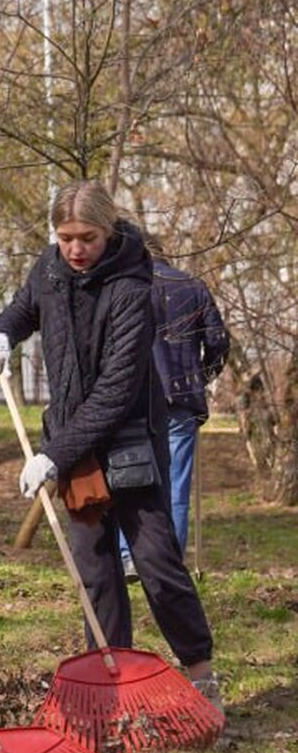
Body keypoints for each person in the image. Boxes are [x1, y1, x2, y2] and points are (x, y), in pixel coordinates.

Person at [0, 180, 222, 711]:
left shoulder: (135, 289)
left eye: (85, 237)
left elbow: (116, 391)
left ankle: (202, 673)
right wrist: (1, 334)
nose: (74, 248)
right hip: (73, 444)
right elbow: (22, 310)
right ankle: (112, 689)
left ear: (108, 231)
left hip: (131, 442)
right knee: (96, 574)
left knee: (157, 564)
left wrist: (52, 456)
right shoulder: (48, 269)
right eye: (65, 237)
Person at [119, 239, 230, 581]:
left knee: (131, 478)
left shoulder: (127, 288)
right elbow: (219, 344)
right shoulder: (193, 287)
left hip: (135, 401)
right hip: (181, 398)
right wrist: (201, 375)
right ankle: (171, 564)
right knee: (176, 486)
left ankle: (129, 556)